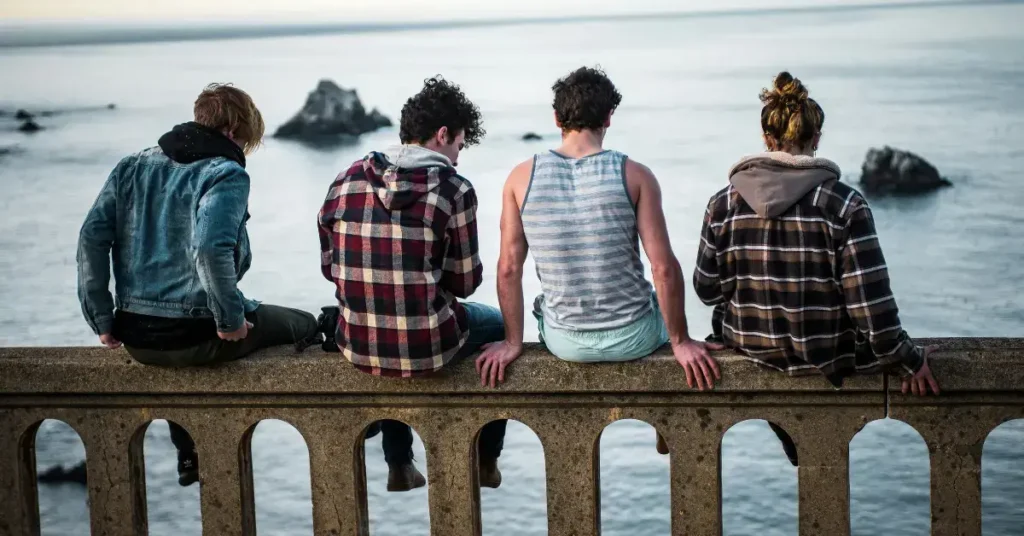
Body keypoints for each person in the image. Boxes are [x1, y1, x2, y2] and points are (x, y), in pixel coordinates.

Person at [77, 84, 321, 487]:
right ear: (231, 131)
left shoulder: (131, 166)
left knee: (183, 350)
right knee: (304, 324)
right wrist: (229, 320)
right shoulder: (225, 173)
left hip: (136, 337)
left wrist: (101, 318)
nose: (244, 149)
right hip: (197, 332)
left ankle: (188, 450)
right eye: (245, 140)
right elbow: (209, 249)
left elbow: (91, 238)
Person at [692, 72, 940, 463]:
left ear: (767, 140)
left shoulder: (722, 204)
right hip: (827, 353)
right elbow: (870, 306)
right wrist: (909, 358)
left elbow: (707, 290)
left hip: (751, 346)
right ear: (816, 138)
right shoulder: (844, 204)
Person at [475, 66, 723, 400]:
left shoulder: (520, 178)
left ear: (556, 119)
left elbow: (508, 268)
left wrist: (512, 342)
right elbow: (663, 268)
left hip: (566, 343)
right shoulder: (635, 174)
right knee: (655, 309)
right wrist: (681, 341)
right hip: (635, 337)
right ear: (608, 117)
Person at [318, 76, 507, 492]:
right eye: (459, 145)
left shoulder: (345, 178)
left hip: (357, 341)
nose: (458, 158)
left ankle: (399, 463)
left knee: (384, 317)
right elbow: (465, 282)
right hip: (429, 347)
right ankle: (487, 458)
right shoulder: (453, 188)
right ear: (443, 135)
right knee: (500, 328)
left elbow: (330, 266)